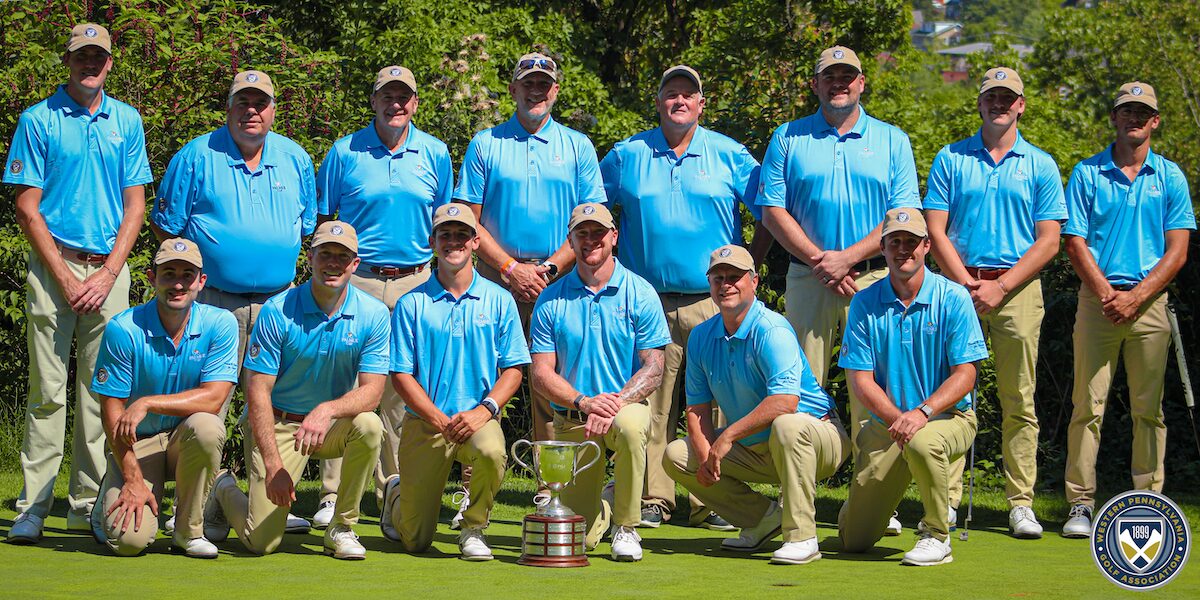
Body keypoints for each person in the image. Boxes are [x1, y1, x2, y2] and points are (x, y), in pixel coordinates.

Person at [758, 44, 920, 536]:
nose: (839, 83)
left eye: (847, 75)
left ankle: (873, 500)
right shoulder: (788, 137)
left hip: (874, 275)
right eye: (829, 76)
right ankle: (796, 501)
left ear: (862, 82)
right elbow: (772, 210)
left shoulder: (893, 140)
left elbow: (903, 216)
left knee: (873, 391)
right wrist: (820, 260)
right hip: (809, 276)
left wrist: (847, 258)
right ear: (815, 84)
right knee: (800, 389)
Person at [599, 64, 771, 530]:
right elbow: (592, 209)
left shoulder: (730, 154)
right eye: (670, 94)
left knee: (714, 401)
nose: (679, 101)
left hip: (712, 300)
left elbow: (771, 211)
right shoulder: (627, 154)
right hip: (645, 299)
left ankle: (709, 496)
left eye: (687, 95)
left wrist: (748, 267)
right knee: (652, 401)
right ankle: (655, 496)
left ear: (701, 104)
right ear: (658, 103)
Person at [4, 23, 152, 543]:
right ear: (67, 61)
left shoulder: (126, 121)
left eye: (99, 56)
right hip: (53, 269)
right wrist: (66, 276)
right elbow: (27, 207)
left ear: (110, 63)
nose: (91, 63)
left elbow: (135, 206)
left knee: (100, 391)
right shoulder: (38, 119)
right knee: (47, 393)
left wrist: (109, 271)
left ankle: (86, 503)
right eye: (81, 56)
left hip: (109, 269)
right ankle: (33, 507)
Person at [154, 68, 316, 532]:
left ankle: (268, 502)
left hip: (279, 303)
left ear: (273, 109)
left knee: (270, 403)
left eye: (260, 102)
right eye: (243, 102)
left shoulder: (295, 158)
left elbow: (305, 229)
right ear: (228, 108)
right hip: (212, 302)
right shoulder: (196, 155)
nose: (252, 110)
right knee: (210, 404)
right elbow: (169, 229)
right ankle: (195, 506)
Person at [923, 67, 1066, 539]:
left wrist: (1001, 287)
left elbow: (1048, 242)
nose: (999, 104)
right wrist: (964, 282)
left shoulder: (1041, 164)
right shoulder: (951, 157)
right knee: (951, 397)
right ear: (980, 103)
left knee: (1018, 400)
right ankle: (942, 498)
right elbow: (935, 229)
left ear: (1022, 104)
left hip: (1018, 291)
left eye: (1008, 97)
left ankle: (1020, 503)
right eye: (992, 97)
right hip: (959, 290)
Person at [313, 65, 453, 528]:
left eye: (404, 97)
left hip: (416, 281)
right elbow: (322, 218)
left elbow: (445, 224)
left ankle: (394, 490)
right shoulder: (344, 151)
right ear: (373, 100)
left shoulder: (434, 152)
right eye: (387, 96)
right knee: (346, 383)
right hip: (357, 280)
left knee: (402, 389)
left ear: (415, 102)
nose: (396, 104)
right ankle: (333, 493)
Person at [203, 221, 387, 559]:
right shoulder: (277, 310)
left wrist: (326, 410)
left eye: (342, 257)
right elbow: (257, 391)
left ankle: (341, 527)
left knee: (370, 425)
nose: (333, 263)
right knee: (261, 543)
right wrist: (274, 467)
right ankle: (223, 488)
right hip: (278, 423)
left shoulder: (373, 314)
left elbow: (372, 393)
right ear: (310, 258)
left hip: (328, 426)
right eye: (325, 254)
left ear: (355, 264)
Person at [1060, 82, 1195, 537]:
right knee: (1087, 406)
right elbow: (1074, 241)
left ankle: (1148, 499)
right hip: (1097, 300)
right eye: (1126, 111)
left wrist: (1136, 297)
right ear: (1114, 118)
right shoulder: (1086, 172)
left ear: (1155, 120)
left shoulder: (1170, 176)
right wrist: (1106, 294)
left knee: (1148, 409)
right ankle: (1080, 504)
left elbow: (1177, 251)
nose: (1134, 118)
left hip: (1150, 303)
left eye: (1143, 112)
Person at [454, 51, 606, 451]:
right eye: (528, 83)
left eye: (543, 83)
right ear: (513, 89)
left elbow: (592, 223)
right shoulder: (486, 144)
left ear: (555, 91)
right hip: (493, 278)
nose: (535, 91)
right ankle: (475, 484)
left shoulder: (577, 145)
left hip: (558, 281)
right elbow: (470, 221)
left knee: (552, 380)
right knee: (483, 376)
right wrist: (510, 268)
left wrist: (549, 270)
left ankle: (551, 484)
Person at [663, 245, 848, 564]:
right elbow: (697, 409)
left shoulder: (772, 329)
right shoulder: (701, 336)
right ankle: (764, 519)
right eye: (718, 278)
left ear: (755, 281)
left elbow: (785, 403)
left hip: (819, 439)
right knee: (677, 456)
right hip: (758, 449)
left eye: (735, 277)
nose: (726, 284)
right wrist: (706, 455)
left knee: (787, 425)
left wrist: (727, 438)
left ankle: (802, 536)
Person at [837, 208, 988, 567]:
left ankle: (936, 535)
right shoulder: (864, 302)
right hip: (889, 425)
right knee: (853, 541)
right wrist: (900, 420)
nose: (903, 249)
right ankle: (862, 507)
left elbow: (965, 375)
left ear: (927, 246)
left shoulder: (954, 298)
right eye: (895, 242)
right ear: (884, 248)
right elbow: (861, 381)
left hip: (947, 418)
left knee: (923, 441)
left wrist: (921, 414)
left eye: (911, 242)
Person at [380, 204, 529, 561]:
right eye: (445, 234)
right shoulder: (411, 303)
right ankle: (397, 496)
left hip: (477, 420)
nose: (453, 241)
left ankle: (473, 527)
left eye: (462, 234)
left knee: (493, 450)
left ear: (476, 241)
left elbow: (514, 369)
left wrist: (485, 410)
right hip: (426, 424)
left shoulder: (499, 299)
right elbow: (400, 375)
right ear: (432, 242)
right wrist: (437, 419)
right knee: (415, 541)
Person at [530, 203, 669, 561]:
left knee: (630, 425)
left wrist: (614, 404)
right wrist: (585, 402)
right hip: (574, 418)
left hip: (623, 411)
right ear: (571, 241)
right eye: (582, 234)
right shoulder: (550, 299)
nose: (591, 240)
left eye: (598, 233)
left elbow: (654, 366)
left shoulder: (640, 292)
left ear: (614, 237)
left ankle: (626, 526)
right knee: (580, 540)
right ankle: (609, 502)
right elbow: (541, 373)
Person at [91, 239, 236, 558]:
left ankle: (188, 531)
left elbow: (213, 399)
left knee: (208, 426)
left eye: (188, 274)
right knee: (129, 543)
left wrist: (147, 403)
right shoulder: (123, 328)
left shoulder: (220, 323)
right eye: (169, 274)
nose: (178, 283)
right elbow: (112, 411)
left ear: (201, 281)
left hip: (185, 440)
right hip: (135, 444)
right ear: (151, 277)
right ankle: (110, 489)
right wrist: (131, 478)